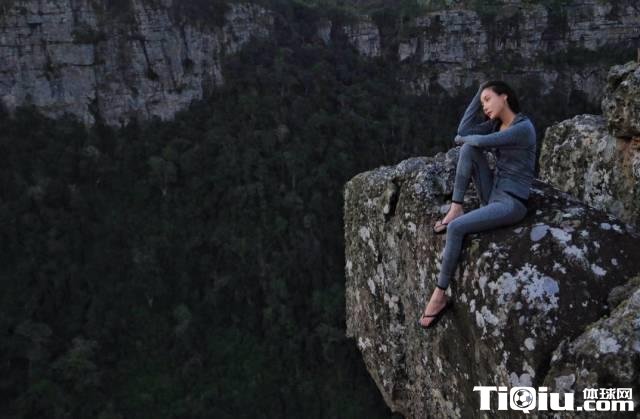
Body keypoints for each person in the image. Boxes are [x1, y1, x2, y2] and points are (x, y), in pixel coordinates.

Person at [418, 80, 537, 329]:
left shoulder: (523, 127)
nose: (484, 107)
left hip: (511, 203)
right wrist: (481, 89)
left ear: (504, 96)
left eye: (488, 99)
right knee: (467, 151)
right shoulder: (496, 123)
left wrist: (461, 139)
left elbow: (480, 141)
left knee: (456, 228)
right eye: (482, 103)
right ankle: (456, 207)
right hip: (493, 192)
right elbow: (464, 129)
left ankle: (439, 295)